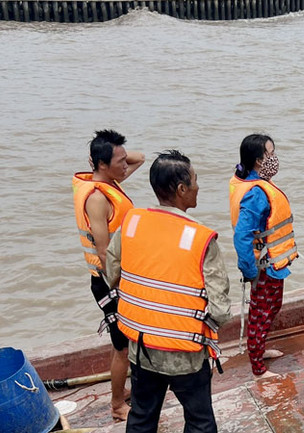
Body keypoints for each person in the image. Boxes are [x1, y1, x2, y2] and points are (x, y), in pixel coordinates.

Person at [106, 150, 231, 433]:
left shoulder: (132, 222)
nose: (199, 187)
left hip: (141, 347)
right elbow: (221, 310)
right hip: (184, 352)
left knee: (141, 417)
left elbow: (111, 273)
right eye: (195, 181)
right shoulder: (201, 238)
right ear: (181, 189)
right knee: (199, 421)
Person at [71, 129, 144, 421]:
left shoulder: (109, 180)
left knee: (128, 342)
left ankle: (124, 391)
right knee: (122, 346)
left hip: (121, 277)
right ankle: (117, 405)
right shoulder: (97, 199)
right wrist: (123, 286)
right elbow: (103, 252)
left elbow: (141, 158)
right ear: (102, 165)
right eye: (119, 160)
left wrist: (117, 152)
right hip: (108, 281)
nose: (126, 164)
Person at [229, 134, 298, 379]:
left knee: (271, 307)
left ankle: (260, 350)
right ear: (259, 161)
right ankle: (258, 367)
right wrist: (249, 271)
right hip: (263, 267)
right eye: (271, 153)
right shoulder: (255, 193)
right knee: (261, 313)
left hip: (273, 264)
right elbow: (242, 236)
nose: (274, 158)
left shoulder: (251, 182)